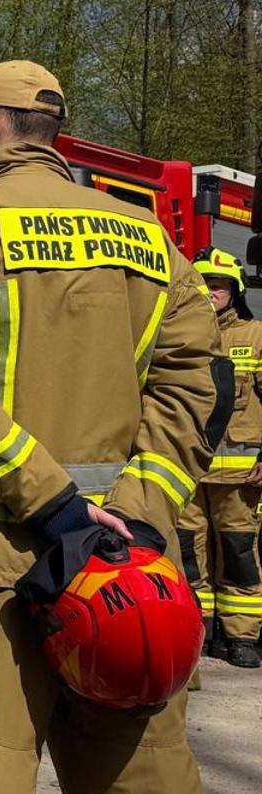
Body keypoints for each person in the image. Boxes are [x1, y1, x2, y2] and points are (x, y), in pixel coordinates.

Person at [0, 60, 217, 791]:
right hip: (127, 571)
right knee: (143, 775)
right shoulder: (149, 237)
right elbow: (200, 386)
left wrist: (55, 506)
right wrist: (135, 515)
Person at [180, 249, 262, 668]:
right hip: (187, 470)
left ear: (235, 291)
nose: (211, 291)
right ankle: (200, 629)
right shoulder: (181, 333)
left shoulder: (255, 335)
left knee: (239, 552)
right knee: (189, 553)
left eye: (220, 285)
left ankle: (241, 636)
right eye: (205, 283)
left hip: (240, 476)